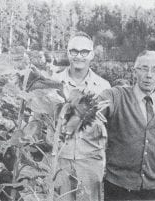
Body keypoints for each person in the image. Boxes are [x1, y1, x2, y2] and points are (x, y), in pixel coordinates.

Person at [98, 50, 155, 200]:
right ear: (134, 72)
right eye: (143, 68)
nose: (149, 75)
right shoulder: (117, 96)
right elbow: (102, 103)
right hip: (119, 190)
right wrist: (93, 110)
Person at [52, 31, 111, 201]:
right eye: (74, 51)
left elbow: (110, 124)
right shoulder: (53, 82)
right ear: (67, 53)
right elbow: (40, 119)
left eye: (84, 52)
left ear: (92, 54)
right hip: (60, 159)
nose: (79, 56)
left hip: (90, 160)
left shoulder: (103, 87)